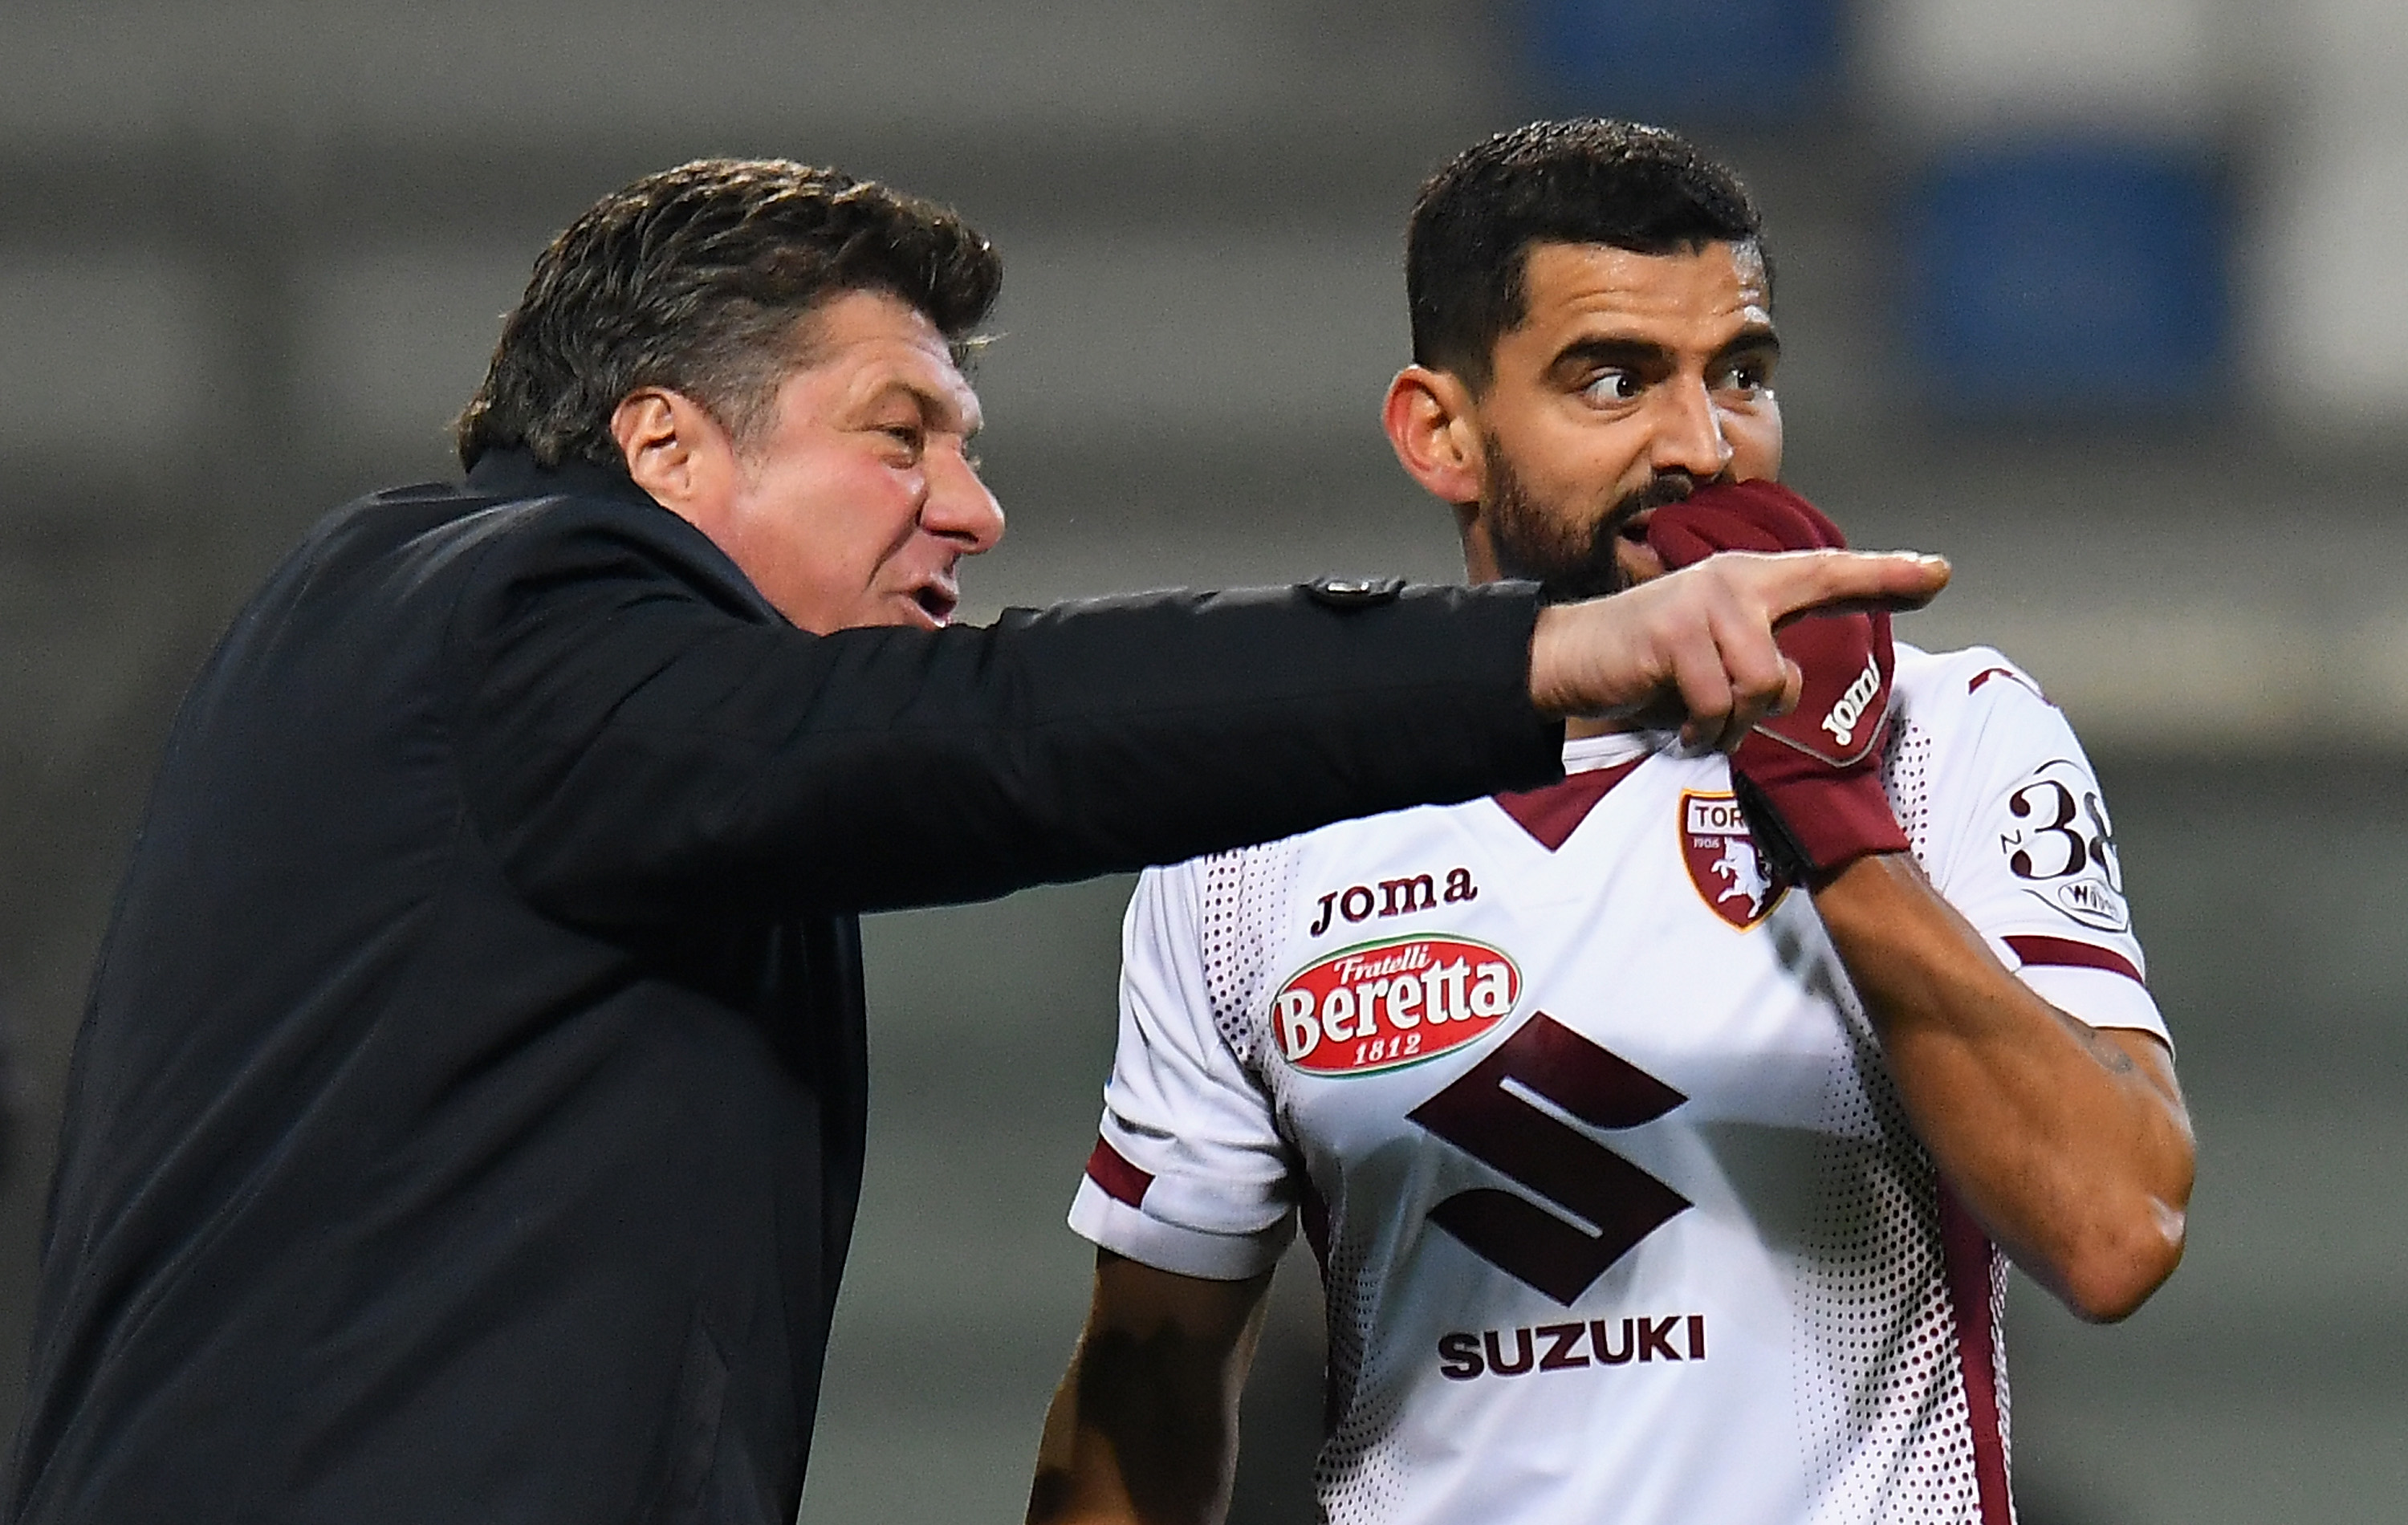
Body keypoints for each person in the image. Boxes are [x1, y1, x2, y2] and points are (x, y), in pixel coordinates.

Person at [2, 159, 1942, 1525]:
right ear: (668, 449)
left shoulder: (518, 704)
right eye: (902, 433)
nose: (974, 507)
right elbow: (1010, 729)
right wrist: (1543, 652)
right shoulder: (515, 613)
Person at [1028, 120, 2194, 1525]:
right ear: (1441, 433)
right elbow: (1149, 1387)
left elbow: (2116, 1231)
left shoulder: (1947, 737)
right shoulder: (1263, 832)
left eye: (1741, 374)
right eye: (1616, 380)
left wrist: (1831, 809)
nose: (1703, 446)